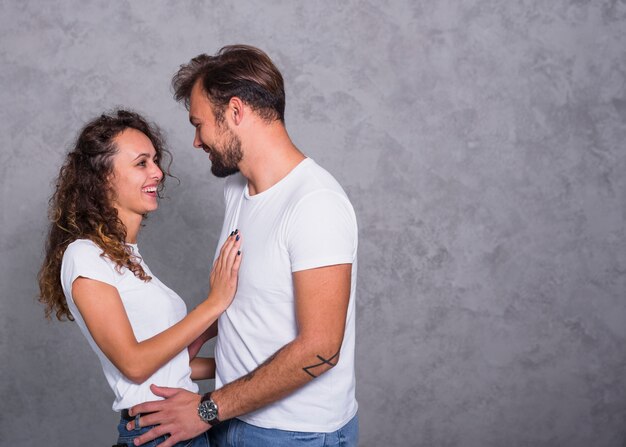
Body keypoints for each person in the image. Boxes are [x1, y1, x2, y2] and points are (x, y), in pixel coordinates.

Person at [127, 45, 359, 447]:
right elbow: (253, 295)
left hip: (294, 435)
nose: (196, 142)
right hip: (231, 417)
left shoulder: (315, 204)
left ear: (236, 111)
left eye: (198, 124)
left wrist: (206, 409)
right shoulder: (238, 190)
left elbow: (320, 349)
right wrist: (192, 343)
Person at [38, 109, 242, 447]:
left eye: (155, 161)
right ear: (103, 177)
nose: (158, 173)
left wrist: (248, 359)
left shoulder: (128, 257)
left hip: (181, 423)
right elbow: (134, 365)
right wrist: (214, 304)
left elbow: (172, 367)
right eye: (141, 163)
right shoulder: (84, 256)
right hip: (154, 434)